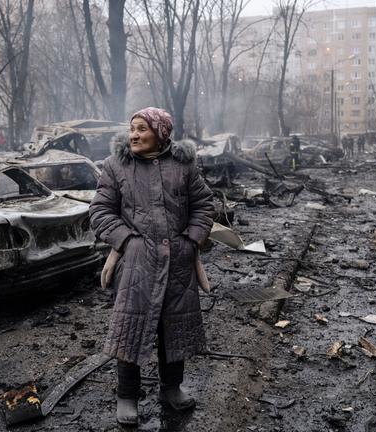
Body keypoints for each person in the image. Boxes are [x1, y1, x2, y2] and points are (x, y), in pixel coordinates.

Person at [89, 107, 214, 426]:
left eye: (142, 129)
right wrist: (127, 242)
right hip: (135, 264)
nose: (134, 135)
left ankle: (171, 389)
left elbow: (203, 205)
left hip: (178, 263)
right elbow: (101, 211)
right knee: (130, 329)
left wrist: (192, 241)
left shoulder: (183, 165)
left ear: (161, 133)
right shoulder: (116, 165)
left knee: (175, 328)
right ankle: (127, 396)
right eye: (132, 128)